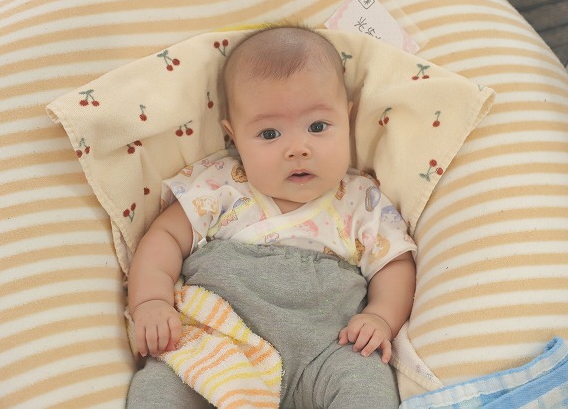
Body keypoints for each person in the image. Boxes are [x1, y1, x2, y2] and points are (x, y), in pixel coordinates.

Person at [126, 24, 417, 408]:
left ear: (347, 119)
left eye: (317, 126)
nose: (297, 148)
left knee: (365, 377)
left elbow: (394, 264)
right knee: (162, 384)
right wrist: (151, 301)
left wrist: (380, 317)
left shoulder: (362, 199)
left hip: (326, 350)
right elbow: (163, 238)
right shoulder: (219, 185)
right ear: (234, 136)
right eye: (269, 134)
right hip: (217, 345)